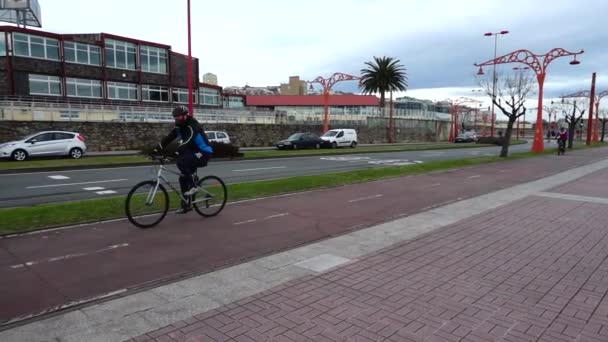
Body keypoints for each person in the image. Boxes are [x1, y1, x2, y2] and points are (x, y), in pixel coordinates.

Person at [154, 106, 213, 213]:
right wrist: (156, 149)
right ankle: (186, 205)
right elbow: (168, 139)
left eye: (179, 117)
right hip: (193, 152)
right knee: (182, 178)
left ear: (185, 116)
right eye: (175, 118)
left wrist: (177, 152)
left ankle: (193, 186)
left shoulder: (192, 125)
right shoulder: (178, 127)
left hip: (204, 152)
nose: (177, 119)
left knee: (181, 162)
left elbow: (188, 141)